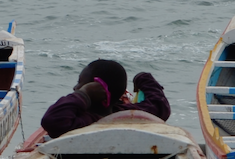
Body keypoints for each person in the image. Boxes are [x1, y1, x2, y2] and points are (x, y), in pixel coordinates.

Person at [41, 59, 170, 138]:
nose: (75, 88)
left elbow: (52, 120)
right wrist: (142, 77)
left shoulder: (84, 122)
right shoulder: (131, 114)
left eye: (80, 83)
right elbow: (159, 105)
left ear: (95, 87)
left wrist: (84, 94)